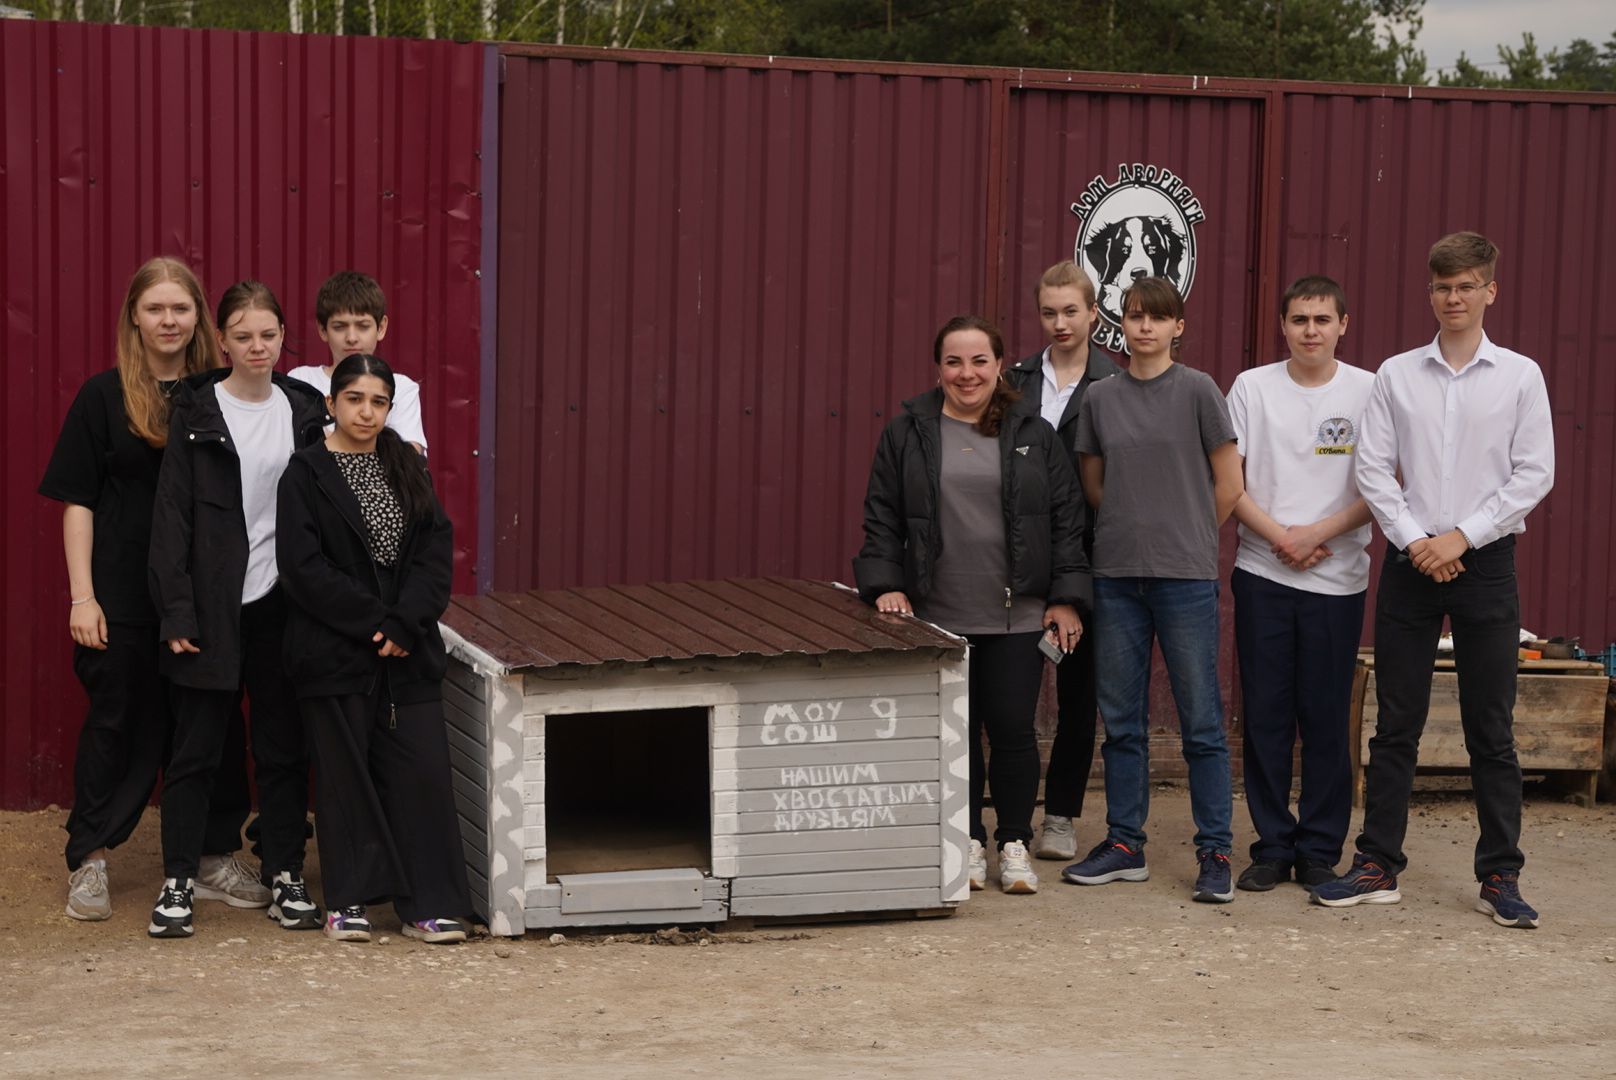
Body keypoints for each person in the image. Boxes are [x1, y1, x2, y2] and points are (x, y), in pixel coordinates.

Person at [1315, 232, 1554, 929]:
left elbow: (1534, 472)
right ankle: (1377, 866)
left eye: (1467, 285)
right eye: (1442, 287)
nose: (1454, 298)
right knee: (1397, 724)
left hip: (1486, 565)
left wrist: (1463, 536)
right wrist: (1420, 541)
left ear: (1490, 291)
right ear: (1430, 292)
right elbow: (1371, 469)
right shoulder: (1396, 374)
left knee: (1491, 727)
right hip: (1412, 566)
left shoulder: (1519, 376)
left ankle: (1500, 876)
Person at [855, 315, 1089, 895]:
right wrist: (886, 583)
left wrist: (1065, 599)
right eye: (954, 362)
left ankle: (1013, 843)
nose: (967, 373)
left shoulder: (1033, 431)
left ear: (1000, 365)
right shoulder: (908, 432)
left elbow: (1066, 523)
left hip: (1016, 612)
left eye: (979, 361)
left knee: (1011, 727)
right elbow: (882, 514)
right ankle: (967, 841)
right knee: (956, 733)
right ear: (939, 368)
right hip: (937, 612)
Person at [39, 257, 241, 921]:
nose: (168, 320)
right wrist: (82, 596)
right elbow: (77, 502)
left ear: (198, 317)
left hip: (203, 591)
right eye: (155, 308)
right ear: (135, 315)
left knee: (206, 726)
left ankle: (210, 856)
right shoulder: (103, 397)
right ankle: (90, 857)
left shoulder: (220, 394)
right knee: (115, 722)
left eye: (180, 308)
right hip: (121, 595)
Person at [146, 280, 330, 938]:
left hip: (285, 606)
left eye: (269, 334)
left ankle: (284, 873)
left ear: (284, 338)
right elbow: (171, 523)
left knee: (282, 749)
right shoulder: (195, 409)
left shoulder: (306, 409)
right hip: (211, 605)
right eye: (244, 336)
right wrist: (177, 613)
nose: (257, 346)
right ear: (222, 341)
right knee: (196, 748)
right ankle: (177, 881)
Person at [276, 353, 471, 944]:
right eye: (354, 399)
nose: (366, 411)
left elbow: (435, 554)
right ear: (331, 403)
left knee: (422, 775)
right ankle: (349, 900)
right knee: (345, 779)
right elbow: (302, 568)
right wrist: (373, 624)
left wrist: (406, 624)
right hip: (335, 654)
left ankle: (426, 905)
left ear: (390, 408)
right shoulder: (304, 473)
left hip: (407, 652)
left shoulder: (408, 467)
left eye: (378, 401)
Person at [1062, 277, 1244, 903]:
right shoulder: (1101, 399)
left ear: (1177, 327)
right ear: (1120, 324)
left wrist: (1186, 532)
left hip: (1185, 578)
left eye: (1157, 318)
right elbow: (1094, 482)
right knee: (1122, 722)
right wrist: (1130, 530)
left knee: (1201, 724)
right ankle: (1123, 844)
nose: (1144, 328)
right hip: (1116, 577)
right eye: (1135, 317)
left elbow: (1229, 483)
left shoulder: (1198, 391)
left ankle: (1215, 850)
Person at [1226, 275, 1374, 893]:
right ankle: (1271, 845)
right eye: (1298, 320)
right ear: (1282, 326)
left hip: (1337, 580)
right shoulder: (1251, 389)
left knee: (1322, 718)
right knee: (1264, 716)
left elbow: (1381, 486)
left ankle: (1318, 847)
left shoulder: (1370, 390)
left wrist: (1317, 534)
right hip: (1263, 572)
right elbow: (1228, 483)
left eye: (1321, 319)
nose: (1309, 330)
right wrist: (1282, 538)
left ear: (1343, 324)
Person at [1004, 260, 1121, 862]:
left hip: (1090, 557)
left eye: (1070, 310)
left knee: (1080, 695)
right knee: (1010, 695)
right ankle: (1007, 818)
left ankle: (1062, 816)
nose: (1059, 322)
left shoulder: (1114, 382)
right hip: (1019, 560)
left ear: (1093, 313)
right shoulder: (1014, 380)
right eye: (1048, 312)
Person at [286, 271, 427, 453]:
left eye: (363, 326)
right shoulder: (302, 380)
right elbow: (294, 449)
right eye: (339, 327)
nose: (351, 338)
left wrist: (327, 440)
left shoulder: (401, 387)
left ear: (381, 327)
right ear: (322, 329)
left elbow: (409, 457)